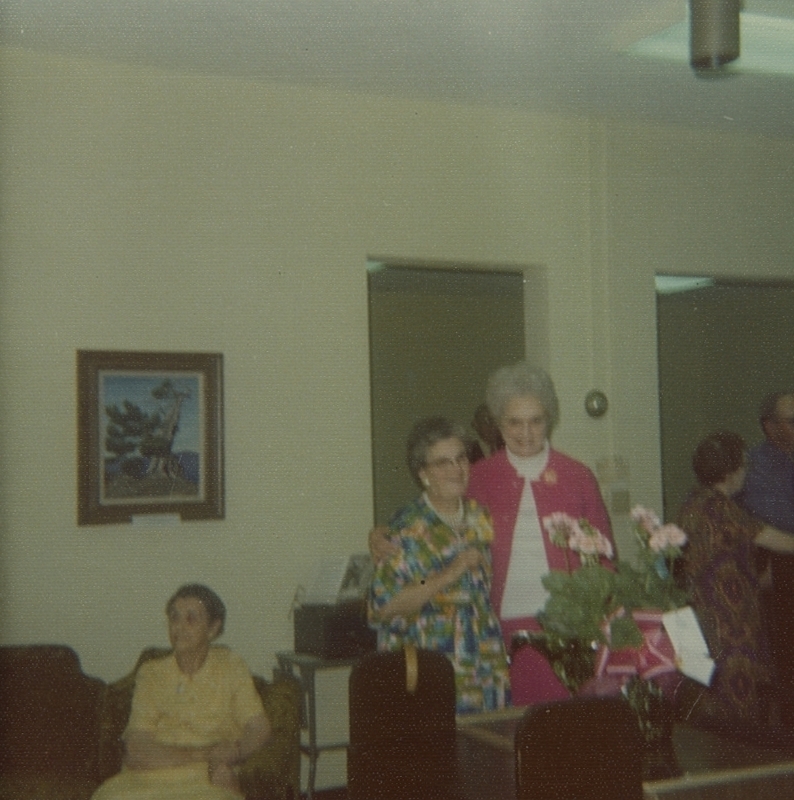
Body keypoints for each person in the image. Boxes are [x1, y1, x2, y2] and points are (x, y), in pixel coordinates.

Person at [372, 363, 614, 705]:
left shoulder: (577, 476)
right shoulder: (478, 476)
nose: (526, 432)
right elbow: (432, 512)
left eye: (536, 420)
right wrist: (381, 534)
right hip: (496, 633)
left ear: (550, 419)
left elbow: (605, 560)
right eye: (514, 422)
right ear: (498, 423)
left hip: (566, 630)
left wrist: (591, 619)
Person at [369, 416, 510, 715]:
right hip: (433, 671)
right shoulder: (408, 527)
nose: (457, 469)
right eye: (443, 463)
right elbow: (385, 605)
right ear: (423, 474)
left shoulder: (479, 517)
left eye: (460, 458)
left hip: (484, 666)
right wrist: (450, 573)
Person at [91, 584, 271, 800]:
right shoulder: (152, 673)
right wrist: (208, 754)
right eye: (174, 617)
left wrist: (236, 752)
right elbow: (137, 749)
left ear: (213, 629)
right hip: (147, 779)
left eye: (191, 618)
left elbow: (258, 727)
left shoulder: (231, 666)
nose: (179, 627)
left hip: (207, 780)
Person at [677, 431, 794, 724]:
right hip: (730, 623)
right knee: (737, 706)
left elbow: (717, 563)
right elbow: (783, 542)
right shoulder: (727, 510)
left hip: (700, 618)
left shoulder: (693, 503)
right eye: (743, 465)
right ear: (730, 471)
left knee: (707, 700)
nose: (745, 472)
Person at [740, 391, 794, 721]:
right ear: (769, 427)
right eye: (792, 421)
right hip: (779, 571)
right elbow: (778, 518)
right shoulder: (755, 466)